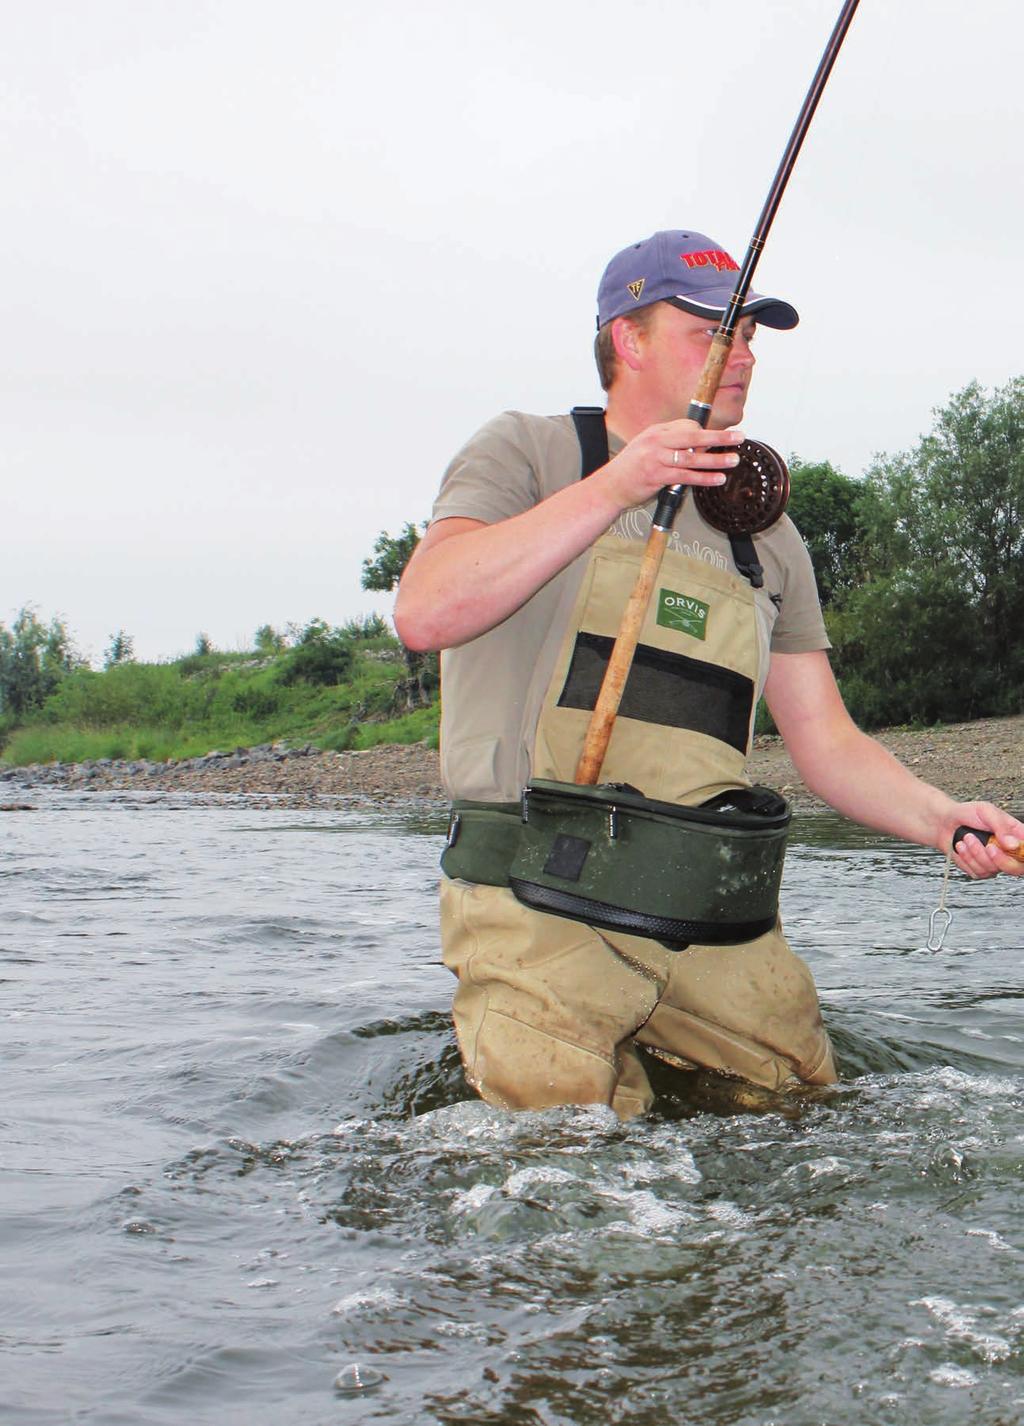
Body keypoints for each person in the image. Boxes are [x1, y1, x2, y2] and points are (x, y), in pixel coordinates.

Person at [394, 228, 1024, 1119]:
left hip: (703, 899)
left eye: (753, 335)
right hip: (535, 891)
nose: (743, 355)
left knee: (799, 1111)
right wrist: (618, 485)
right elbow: (426, 611)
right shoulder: (529, 454)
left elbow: (828, 741)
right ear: (629, 339)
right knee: (557, 1150)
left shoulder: (767, 539)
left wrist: (943, 819)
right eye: (712, 331)